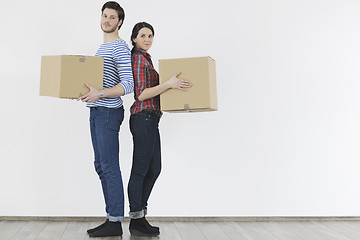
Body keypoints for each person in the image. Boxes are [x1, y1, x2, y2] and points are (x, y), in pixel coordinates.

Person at [127, 22, 192, 236]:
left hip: (152, 119)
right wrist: (169, 85)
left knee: (154, 169)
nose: (147, 39)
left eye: (151, 35)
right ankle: (136, 220)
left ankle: (140, 216)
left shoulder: (146, 58)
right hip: (142, 117)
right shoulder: (137, 58)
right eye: (143, 35)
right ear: (134, 38)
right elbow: (142, 94)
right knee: (140, 170)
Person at [78, 1, 134, 237]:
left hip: (109, 112)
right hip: (97, 110)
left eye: (112, 17)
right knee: (101, 165)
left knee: (109, 166)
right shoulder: (101, 49)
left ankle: (114, 222)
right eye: (105, 16)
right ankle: (111, 217)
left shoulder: (120, 47)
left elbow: (128, 84)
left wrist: (100, 94)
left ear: (119, 22)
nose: (107, 20)